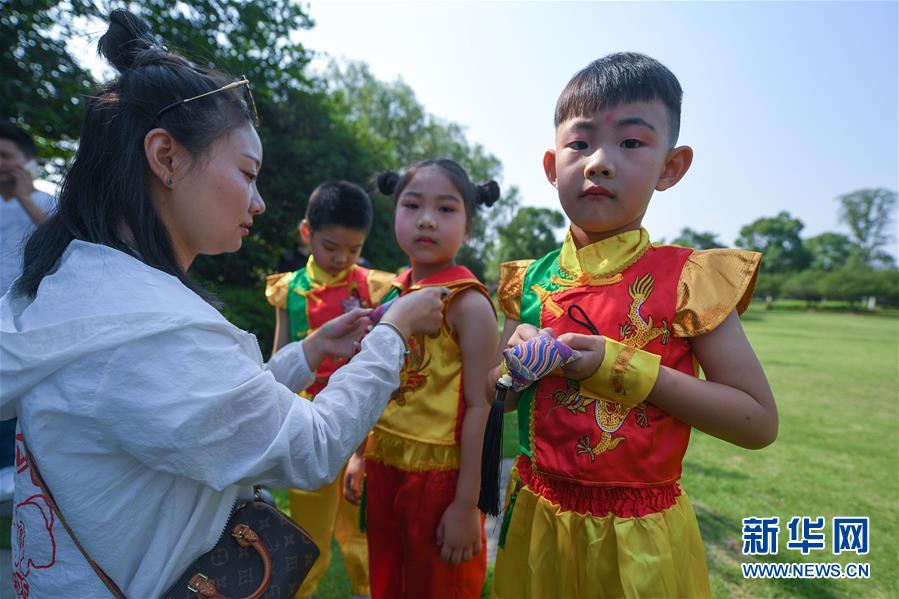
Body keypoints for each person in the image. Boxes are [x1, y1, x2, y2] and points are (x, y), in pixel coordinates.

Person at [0, 10, 445, 598]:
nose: (258, 202)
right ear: (166, 158)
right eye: (247, 172)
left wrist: (307, 352)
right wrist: (393, 335)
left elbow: (208, 414)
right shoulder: (150, 332)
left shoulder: (85, 292)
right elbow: (309, 448)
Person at [489, 52, 778, 598]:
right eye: (579, 143)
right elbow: (492, 398)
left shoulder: (689, 279)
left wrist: (617, 367)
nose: (598, 161)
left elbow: (757, 421)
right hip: (535, 521)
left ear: (671, 167)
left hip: (639, 537)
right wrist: (515, 365)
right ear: (552, 166)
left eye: (630, 142)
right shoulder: (527, 283)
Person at [353, 159, 499, 599]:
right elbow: (373, 383)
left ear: (469, 227)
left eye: (447, 209)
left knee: (438, 587)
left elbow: (481, 406)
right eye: (412, 205)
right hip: (383, 467)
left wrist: (466, 505)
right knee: (388, 582)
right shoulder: (392, 295)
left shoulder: (468, 304)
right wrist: (361, 455)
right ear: (395, 212)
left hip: (440, 481)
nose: (427, 220)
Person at [265, 180, 394, 599]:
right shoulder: (288, 290)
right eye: (330, 246)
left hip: (362, 422)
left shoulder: (374, 287)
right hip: (308, 424)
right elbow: (280, 356)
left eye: (353, 250)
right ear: (307, 234)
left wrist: (363, 448)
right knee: (309, 534)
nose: (341, 258)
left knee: (363, 531)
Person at [0, 122, 54, 296]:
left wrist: (24, 198)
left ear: (30, 162)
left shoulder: (52, 203)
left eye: (5, 155)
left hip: (24, 305)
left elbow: (61, 240)